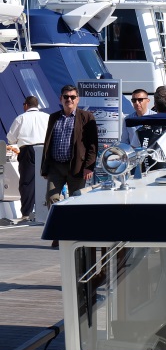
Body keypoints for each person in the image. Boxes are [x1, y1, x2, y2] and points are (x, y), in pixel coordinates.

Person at [41, 85, 99, 246]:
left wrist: (89, 166)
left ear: (77, 99)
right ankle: (58, 233)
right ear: (61, 99)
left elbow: (93, 145)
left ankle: (73, 234)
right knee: (52, 198)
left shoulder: (87, 117)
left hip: (77, 167)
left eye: (72, 97)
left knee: (75, 201)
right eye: (66, 97)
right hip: (55, 166)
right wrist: (44, 167)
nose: (69, 100)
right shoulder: (54, 117)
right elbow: (48, 143)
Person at [6, 96, 48, 221]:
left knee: (27, 182)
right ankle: (45, 210)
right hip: (45, 150)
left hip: (28, 151)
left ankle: (26, 213)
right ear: (37, 105)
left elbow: (11, 138)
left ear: (26, 105)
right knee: (46, 180)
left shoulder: (21, 118)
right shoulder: (47, 117)